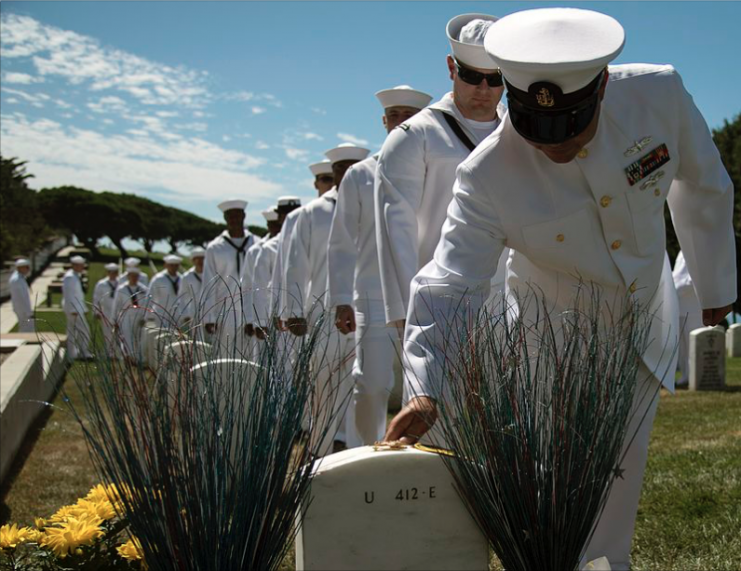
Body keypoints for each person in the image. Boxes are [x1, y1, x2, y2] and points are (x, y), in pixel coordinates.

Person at [385, 8, 736, 570]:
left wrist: (715, 280)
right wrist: (427, 385)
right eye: (536, 130)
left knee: (619, 484)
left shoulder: (658, 94)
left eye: (571, 128)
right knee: (556, 494)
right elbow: (450, 285)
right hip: (552, 336)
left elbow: (703, 183)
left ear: (600, 86)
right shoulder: (485, 174)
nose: (555, 147)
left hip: (644, 321)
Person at [375, 13, 509, 332]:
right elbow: (397, 226)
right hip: (440, 302)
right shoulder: (415, 135)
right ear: (451, 67)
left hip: (508, 300)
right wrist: (407, 310)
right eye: (472, 76)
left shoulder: (518, 134)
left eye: (495, 79)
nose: (483, 88)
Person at [327, 85, 432, 445]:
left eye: (409, 115)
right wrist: (342, 297)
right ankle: (362, 455)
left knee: (424, 386)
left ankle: (415, 459)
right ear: (383, 120)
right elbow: (341, 241)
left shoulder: (435, 162)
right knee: (371, 384)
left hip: (426, 292)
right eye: (395, 115)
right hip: (372, 294)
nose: (401, 121)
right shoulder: (360, 174)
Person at [285, 143, 370, 453]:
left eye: (351, 167)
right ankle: (318, 454)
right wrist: (294, 309)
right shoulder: (312, 214)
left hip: (366, 310)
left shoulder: (374, 204)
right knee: (322, 386)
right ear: (331, 173)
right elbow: (296, 265)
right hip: (323, 313)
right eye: (338, 168)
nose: (345, 173)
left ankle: (357, 453)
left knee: (363, 388)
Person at [202, 199, 255, 357]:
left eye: (237, 215)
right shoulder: (215, 248)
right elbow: (208, 283)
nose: (234, 219)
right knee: (225, 356)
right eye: (230, 216)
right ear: (225, 219)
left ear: (244, 216)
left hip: (253, 310)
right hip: (225, 312)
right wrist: (209, 316)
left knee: (252, 357)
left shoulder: (256, 243)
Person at [242, 207, 282, 341]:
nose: (276, 229)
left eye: (279, 225)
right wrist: (250, 319)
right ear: (268, 226)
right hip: (262, 314)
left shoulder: (292, 244)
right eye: (273, 225)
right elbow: (247, 286)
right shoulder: (255, 251)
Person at [673, 251, 704, 388]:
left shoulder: (697, 249)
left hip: (693, 307)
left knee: (694, 346)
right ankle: (686, 376)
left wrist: (676, 289)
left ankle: (697, 376)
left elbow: (696, 278)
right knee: (683, 348)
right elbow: (677, 275)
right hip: (679, 305)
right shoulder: (682, 252)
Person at [113, 267, 149, 360]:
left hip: (139, 315)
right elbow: (116, 305)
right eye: (132, 276)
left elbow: (147, 304)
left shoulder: (143, 289)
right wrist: (114, 319)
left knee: (139, 336)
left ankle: (139, 357)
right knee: (127, 336)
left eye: (136, 276)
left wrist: (145, 317)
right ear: (128, 276)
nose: (134, 278)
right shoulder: (121, 288)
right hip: (126, 315)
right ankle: (128, 356)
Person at [62, 255, 93, 361]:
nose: (83, 266)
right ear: (75, 265)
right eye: (81, 265)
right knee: (84, 330)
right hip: (73, 309)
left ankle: (73, 353)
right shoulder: (70, 277)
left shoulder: (75, 276)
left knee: (73, 331)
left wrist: (83, 308)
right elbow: (68, 295)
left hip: (76, 308)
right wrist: (73, 309)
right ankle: (83, 352)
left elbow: (78, 295)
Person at [147, 255, 182, 328]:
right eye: (171, 265)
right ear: (165, 265)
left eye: (176, 265)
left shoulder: (181, 279)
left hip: (177, 314)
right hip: (161, 314)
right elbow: (150, 296)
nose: (173, 267)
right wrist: (147, 315)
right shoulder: (158, 278)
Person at [92, 263, 120, 352]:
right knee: (107, 333)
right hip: (106, 311)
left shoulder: (121, 283)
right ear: (108, 273)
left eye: (115, 272)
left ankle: (118, 352)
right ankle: (109, 352)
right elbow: (96, 298)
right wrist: (96, 311)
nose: (113, 274)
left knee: (118, 333)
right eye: (111, 272)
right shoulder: (101, 284)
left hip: (118, 311)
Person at [180, 247, 206, 328]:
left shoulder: (212, 273)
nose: (200, 261)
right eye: (197, 259)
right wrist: (185, 314)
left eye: (202, 258)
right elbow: (182, 297)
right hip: (193, 313)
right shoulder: (187, 276)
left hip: (211, 313)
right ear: (193, 260)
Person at [9, 258, 35, 333]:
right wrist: (28, 312)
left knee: (27, 329)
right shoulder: (16, 279)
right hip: (22, 310)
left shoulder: (20, 278)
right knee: (26, 330)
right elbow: (20, 298)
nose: (28, 269)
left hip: (24, 309)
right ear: (20, 268)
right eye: (27, 267)